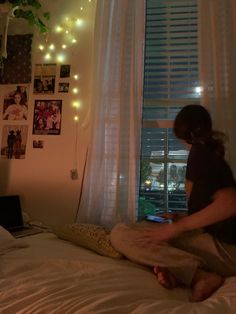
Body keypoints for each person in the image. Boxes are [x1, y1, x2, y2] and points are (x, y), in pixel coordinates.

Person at [139, 104, 236, 302]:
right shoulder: (205, 154)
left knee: (125, 233)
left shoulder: (201, 154)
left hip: (228, 251)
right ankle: (187, 273)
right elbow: (209, 208)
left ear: (181, 132)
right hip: (217, 242)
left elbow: (230, 203)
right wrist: (179, 217)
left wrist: (178, 227)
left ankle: (199, 276)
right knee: (148, 233)